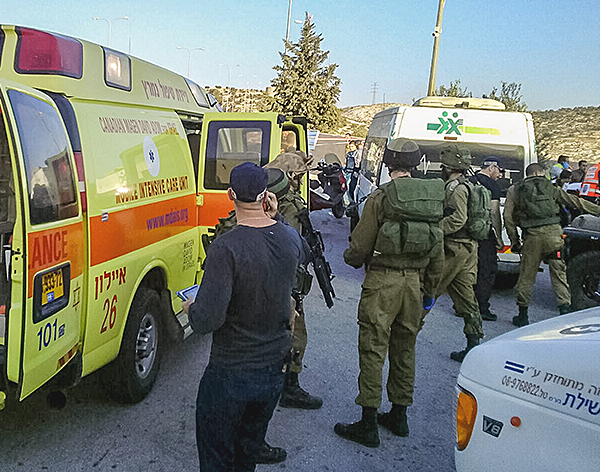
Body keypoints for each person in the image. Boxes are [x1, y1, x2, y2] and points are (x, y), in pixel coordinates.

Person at [184, 162, 306, 471]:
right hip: (272, 373)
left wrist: (191, 309)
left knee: (217, 459)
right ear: (266, 195)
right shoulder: (289, 238)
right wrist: (275, 216)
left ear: (230, 195)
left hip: (230, 375)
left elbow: (207, 320)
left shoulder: (226, 248)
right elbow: (300, 250)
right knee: (246, 456)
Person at [335, 139, 444, 449]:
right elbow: (438, 253)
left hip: (382, 283)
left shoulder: (380, 198)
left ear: (388, 162)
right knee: (405, 349)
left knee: (373, 349)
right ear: (416, 164)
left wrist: (351, 259)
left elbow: (359, 249)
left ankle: (368, 423)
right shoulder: (430, 199)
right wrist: (430, 291)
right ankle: (399, 415)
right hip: (415, 284)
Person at [504, 162, 600, 327]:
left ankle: (522, 316)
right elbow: (576, 202)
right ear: (541, 173)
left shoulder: (515, 190)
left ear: (527, 173)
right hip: (554, 236)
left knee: (527, 276)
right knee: (559, 273)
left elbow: (508, 218)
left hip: (532, 238)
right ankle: (564, 310)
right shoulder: (550, 188)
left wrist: (514, 241)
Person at [264, 150, 323, 410]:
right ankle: (290, 387)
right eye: (297, 176)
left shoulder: (260, 196)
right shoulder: (289, 205)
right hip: (284, 282)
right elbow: (293, 247)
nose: (300, 181)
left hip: (261, 279)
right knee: (296, 333)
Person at [433, 144, 484, 363]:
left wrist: (434, 229)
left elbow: (458, 218)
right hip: (466, 249)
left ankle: (406, 333)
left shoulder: (456, 188)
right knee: (466, 299)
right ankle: (474, 344)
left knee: (429, 288)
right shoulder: (466, 184)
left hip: (455, 248)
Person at [473, 157, 505, 322]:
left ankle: (464, 306)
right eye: (500, 170)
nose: (500, 175)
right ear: (492, 167)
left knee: (467, 270)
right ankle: (482, 307)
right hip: (484, 234)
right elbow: (494, 213)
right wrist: (498, 237)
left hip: (466, 233)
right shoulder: (492, 186)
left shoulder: (468, 180)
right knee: (486, 270)